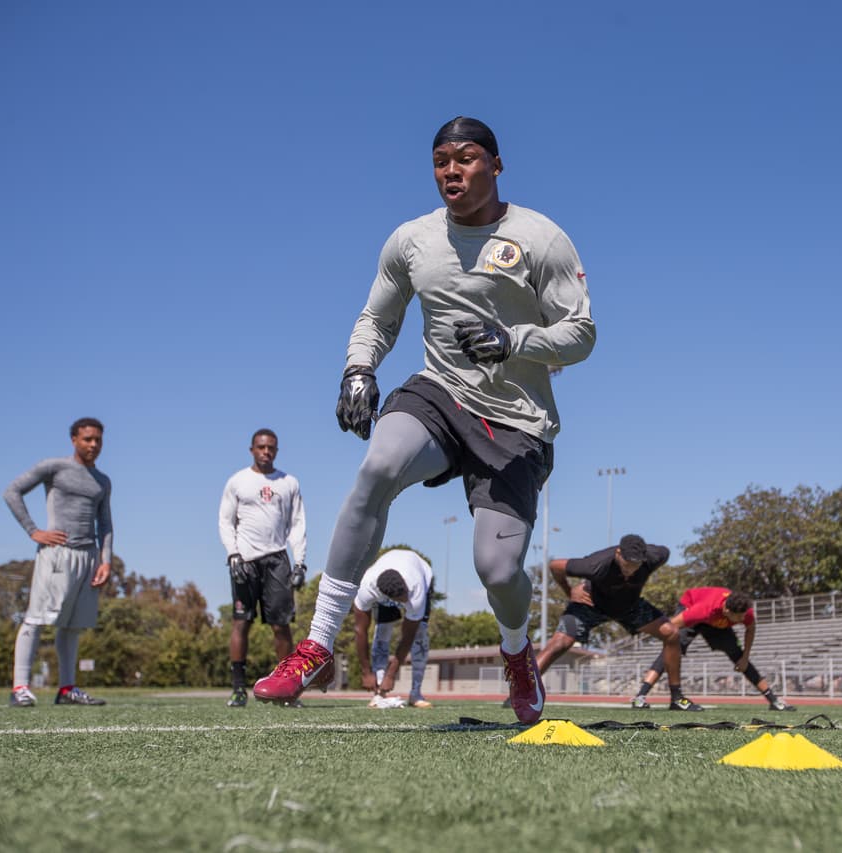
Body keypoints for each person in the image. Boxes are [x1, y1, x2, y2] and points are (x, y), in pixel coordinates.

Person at [254, 117, 595, 725]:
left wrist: (513, 339)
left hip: (515, 423)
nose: (451, 171)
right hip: (440, 393)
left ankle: (518, 655)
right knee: (378, 467)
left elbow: (580, 334)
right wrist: (358, 369)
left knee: (497, 570)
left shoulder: (541, 238)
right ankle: (317, 647)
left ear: (495, 164)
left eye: (465, 158)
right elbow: (376, 319)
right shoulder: (411, 239)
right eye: (441, 160)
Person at [3, 417, 113, 707]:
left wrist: (106, 560)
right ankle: (20, 687)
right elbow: (12, 492)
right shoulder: (54, 467)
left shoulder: (102, 481)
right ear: (74, 440)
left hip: (88, 556)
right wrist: (34, 531)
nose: (93, 445)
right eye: (88, 439)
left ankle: (67, 689)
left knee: (73, 625)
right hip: (56, 554)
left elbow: (105, 522)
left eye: (98, 440)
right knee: (36, 618)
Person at [528, 534, 695, 710]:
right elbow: (555, 566)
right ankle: (523, 692)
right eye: (627, 564)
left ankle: (677, 698)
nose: (630, 570)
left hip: (629, 607)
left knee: (671, 633)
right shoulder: (595, 565)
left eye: (635, 566)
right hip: (591, 604)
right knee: (560, 643)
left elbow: (665, 551)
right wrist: (569, 591)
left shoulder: (655, 557)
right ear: (618, 553)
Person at [218, 428, 308, 707]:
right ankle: (238, 689)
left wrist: (300, 561)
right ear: (252, 450)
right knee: (240, 622)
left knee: (281, 627)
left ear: (276, 451)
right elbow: (225, 521)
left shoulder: (289, 482)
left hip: (277, 560)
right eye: (261, 447)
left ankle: (286, 689)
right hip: (244, 561)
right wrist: (233, 554)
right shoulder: (237, 481)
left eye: (271, 448)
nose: (266, 452)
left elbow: (297, 524)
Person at [632, 587, 796, 712]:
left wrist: (745, 657)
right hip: (691, 605)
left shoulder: (745, 611)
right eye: (738, 618)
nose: (742, 620)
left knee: (738, 655)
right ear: (727, 611)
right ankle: (640, 697)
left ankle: (774, 701)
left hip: (716, 623)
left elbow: (750, 629)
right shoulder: (703, 609)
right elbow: (671, 626)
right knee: (673, 647)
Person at [353, 547, 434, 709]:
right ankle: (379, 693)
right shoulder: (366, 588)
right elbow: (360, 630)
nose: (405, 601)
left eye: (405, 596)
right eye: (400, 599)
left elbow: (407, 636)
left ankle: (416, 693)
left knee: (420, 634)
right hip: (384, 582)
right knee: (382, 630)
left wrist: (392, 674)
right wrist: (366, 672)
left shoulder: (415, 589)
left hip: (421, 571)